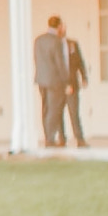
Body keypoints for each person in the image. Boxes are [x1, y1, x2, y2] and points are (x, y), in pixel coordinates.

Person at [33, 16, 73, 148]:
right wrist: (66, 81)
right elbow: (60, 63)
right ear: (59, 26)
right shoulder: (56, 41)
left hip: (41, 79)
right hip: (54, 80)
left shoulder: (38, 40)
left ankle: (47, 136)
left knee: (45, 108)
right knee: (53, 109)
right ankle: (50, 139)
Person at [62, 23, 91, 150]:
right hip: (59, 85)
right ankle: (61, 139)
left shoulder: (72, 44)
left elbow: (80, 61)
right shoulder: (53, 45)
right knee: (57, 114)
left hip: (73, 83)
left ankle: (79, 139)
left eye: (64, 27)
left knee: (74, 112)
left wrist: (84, 77)